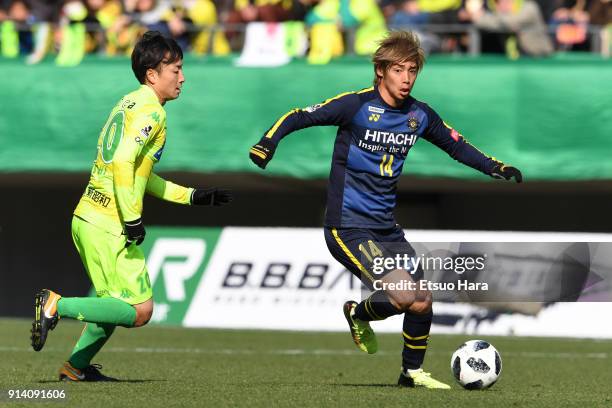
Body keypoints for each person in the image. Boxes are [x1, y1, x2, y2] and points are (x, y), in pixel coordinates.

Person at [249, 30, 521, 389]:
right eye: (398, 70)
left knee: (422, 300)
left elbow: (457, 146)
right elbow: (300, 115)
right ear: (380, 71)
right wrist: (268, 142)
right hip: (347, 226)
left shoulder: (420, 115)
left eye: (412, 71)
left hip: (386, 228)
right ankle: (356, 313)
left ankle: (411, 373)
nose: (406, 78)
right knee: (404, 294)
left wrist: (495, 167)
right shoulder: (356, 105)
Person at [30, 30, 232, 382]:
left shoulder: (128, 102)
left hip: (88, 216)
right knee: (139, 310)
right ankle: (55, 305)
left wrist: (192, 196)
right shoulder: (153, 111)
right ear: (153, 74)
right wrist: (133, 219)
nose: (182, 77)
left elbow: (139, 173)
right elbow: (123, 163)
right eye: (176, 69)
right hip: (109, 223)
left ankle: (75, 368)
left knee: (113, 304)